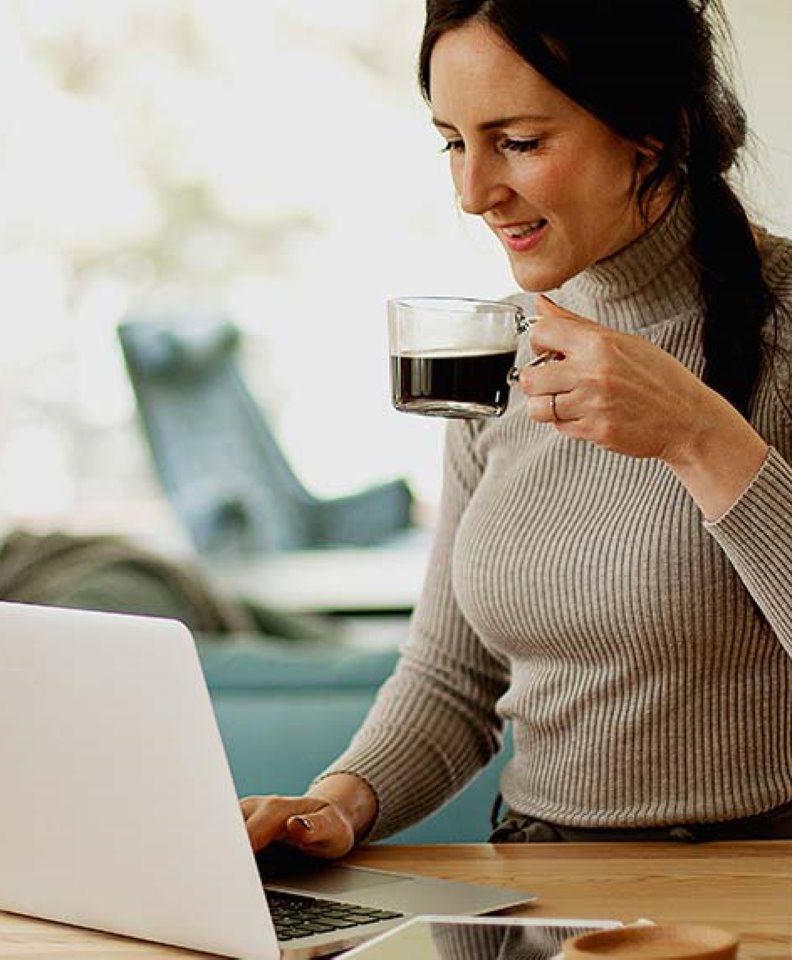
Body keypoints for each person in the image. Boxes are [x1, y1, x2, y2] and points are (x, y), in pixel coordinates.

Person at [242, 0, 792, 853]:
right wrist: (339, 803)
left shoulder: (784, 329)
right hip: (534, 880)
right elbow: (451, 678)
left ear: (651, 132)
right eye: (454, 142)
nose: (472, 194)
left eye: (519, 143)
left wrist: (697, 435)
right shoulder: (496, 348)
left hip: (746, 883)